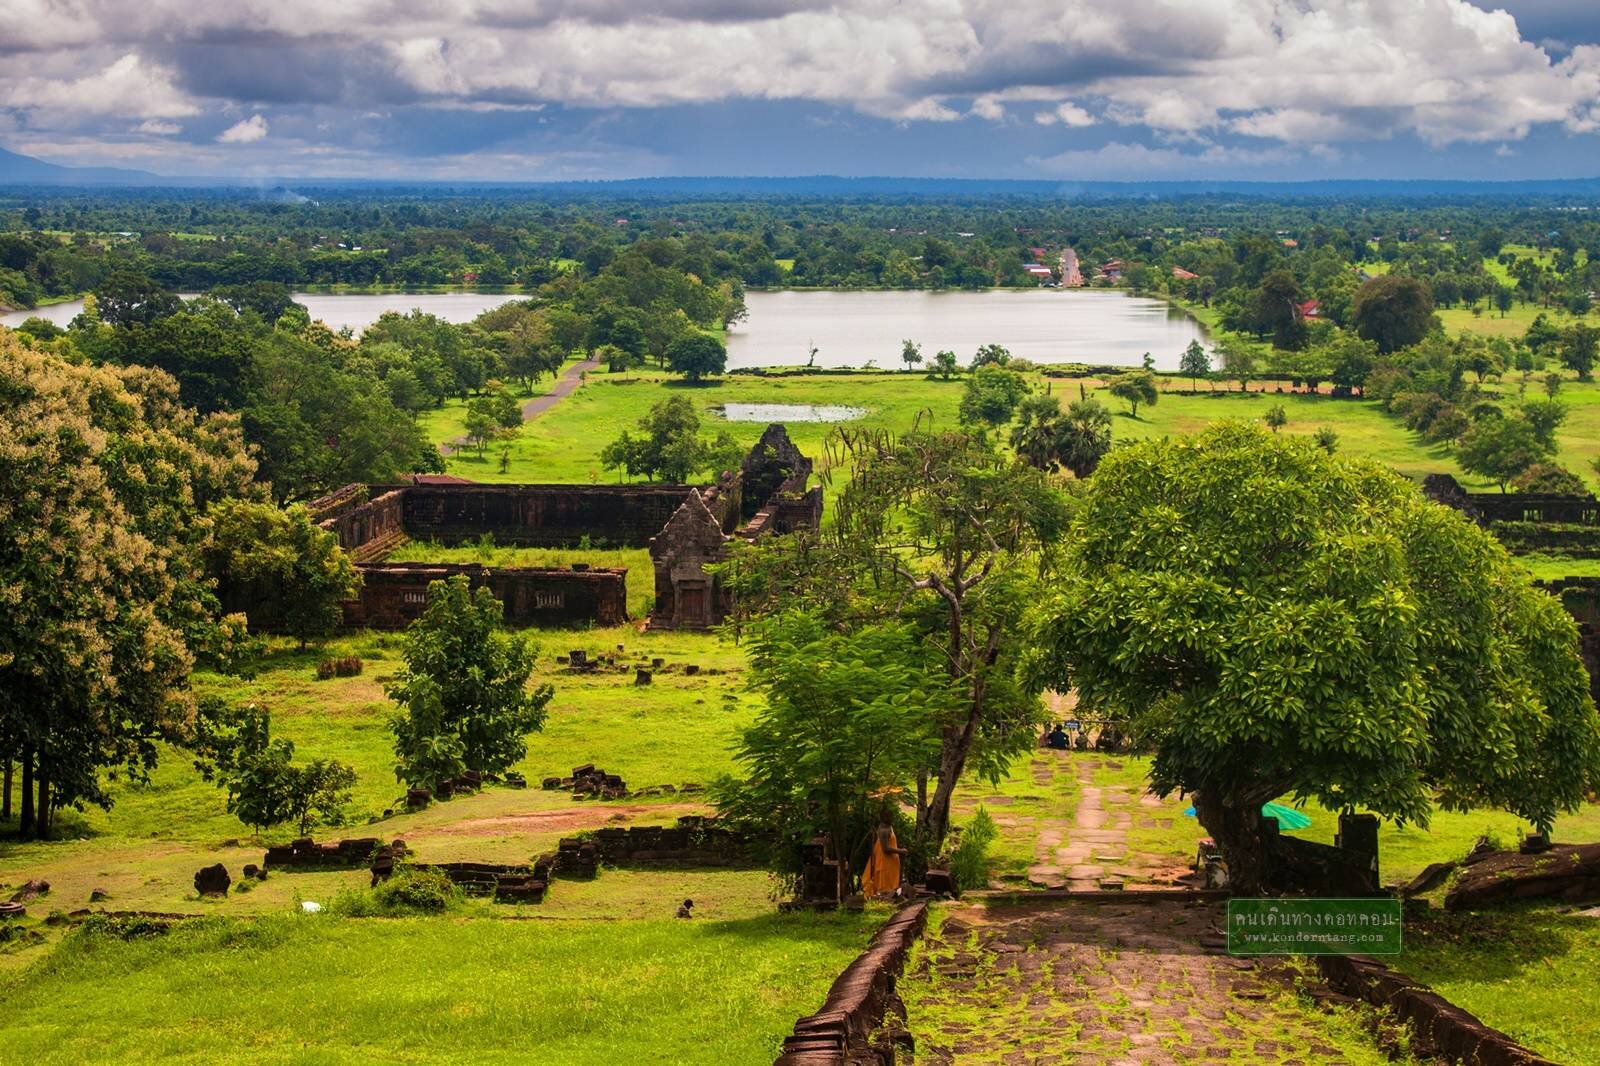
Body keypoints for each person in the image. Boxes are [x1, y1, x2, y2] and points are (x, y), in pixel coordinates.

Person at [860, 807, 907, 897]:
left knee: (892, 885)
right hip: (884, 862)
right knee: (885, 887)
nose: (891, 818)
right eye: (889, 816)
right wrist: (900, 851)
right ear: (884, 817)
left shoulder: (889, 827)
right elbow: (886, 849)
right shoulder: (883, 830)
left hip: (891, 862)